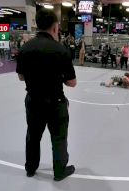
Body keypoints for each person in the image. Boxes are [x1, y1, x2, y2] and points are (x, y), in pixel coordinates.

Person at [16, 9, 76, 181]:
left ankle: (31, 168)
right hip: (55, 103)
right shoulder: (61, 50)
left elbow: (21, 77)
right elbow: (72, 82)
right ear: (55, 27)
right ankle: (59, 171)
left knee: (33, 136)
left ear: (37, 25)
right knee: (58, 137)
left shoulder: (25, 48)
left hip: (34, 101)